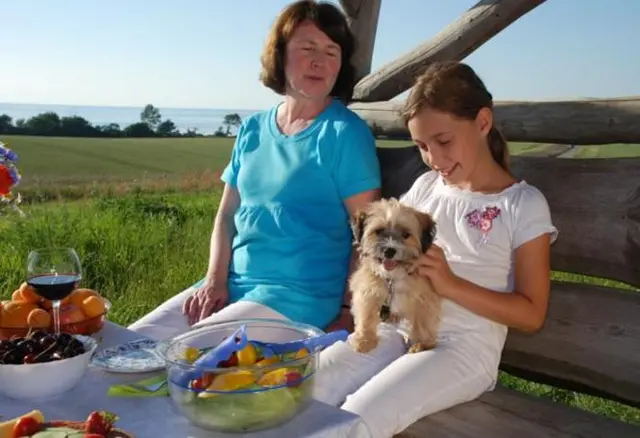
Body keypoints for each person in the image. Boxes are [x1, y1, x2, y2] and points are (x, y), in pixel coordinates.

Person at [311, 60, 559, 438]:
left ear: (482, 122)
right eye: (422, 146)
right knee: (306, 385)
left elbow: (531, 315)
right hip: (397, 328)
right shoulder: (428, 188)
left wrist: (452, 284)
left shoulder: (522, 205)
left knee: (356, 418)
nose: (434, 158)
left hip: (462, 350)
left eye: (443, 141)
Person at [128, 0, 380, 341]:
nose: (319, 61)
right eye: (307, 48)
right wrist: (214, 281)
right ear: (280, 55)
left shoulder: (345, 134)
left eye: (331, 51)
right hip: (231, 285)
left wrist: (350, 312)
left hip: (299, 299)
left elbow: (368, 234)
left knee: (182, 356)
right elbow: (227, 215)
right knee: (130, 343)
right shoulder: (253, 130)